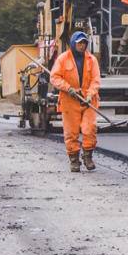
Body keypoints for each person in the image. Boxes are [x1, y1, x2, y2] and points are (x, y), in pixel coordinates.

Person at [50, 31, 101, 173]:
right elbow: (54, 78)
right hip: (69, 101)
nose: (82, 45)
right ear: (73, 44)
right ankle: (74, 160)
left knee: (89, 128)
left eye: (84, 42)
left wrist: (90, 95)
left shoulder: (92, 60)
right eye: (79, 43)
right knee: (71, 132)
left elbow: (96, 80)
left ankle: (88, 156)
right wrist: (68, 88)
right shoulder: (62, 59)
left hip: (87, 100)